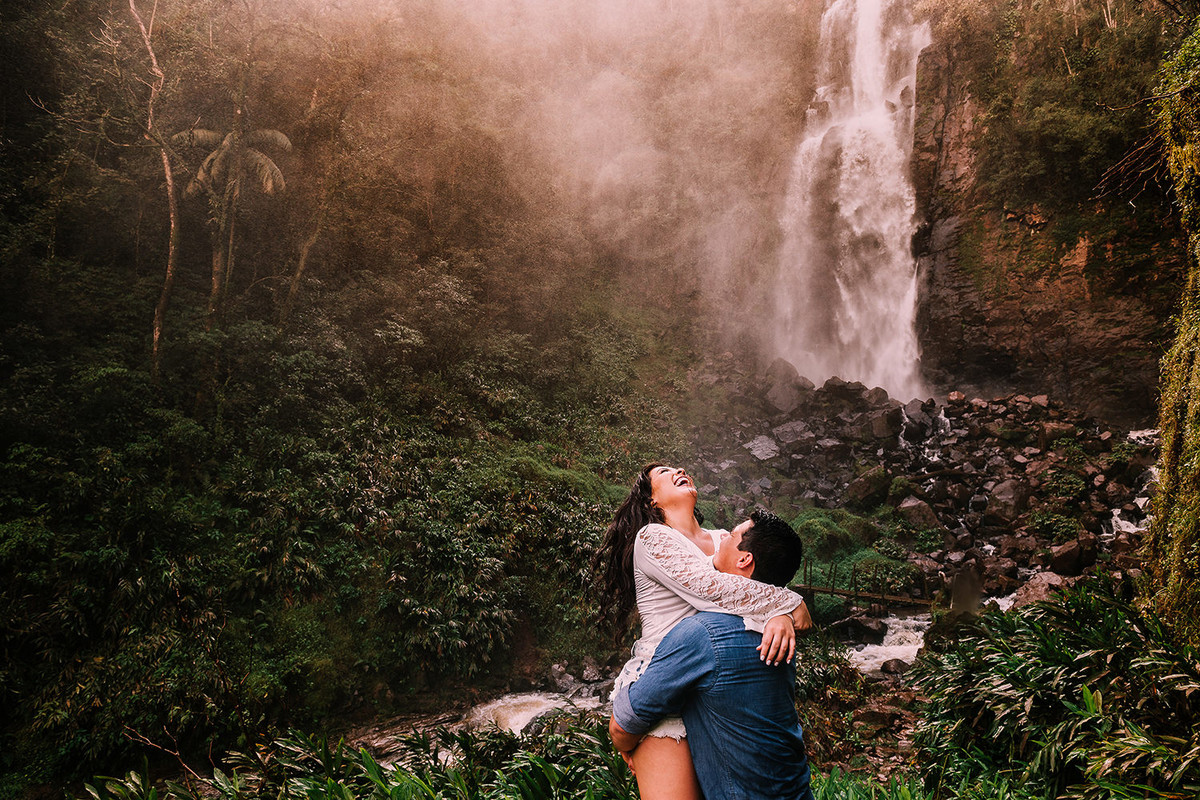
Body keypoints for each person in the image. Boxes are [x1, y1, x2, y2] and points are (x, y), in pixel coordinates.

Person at [593, 464, 812, 799]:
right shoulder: (653, 538)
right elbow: (709, 589)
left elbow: (751, 581)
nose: (679, 469)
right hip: (661, 687)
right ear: (652, 502)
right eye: (664, 472)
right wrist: (787, 602)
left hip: (712, 693)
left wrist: (777, 615)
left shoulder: (723, 539)